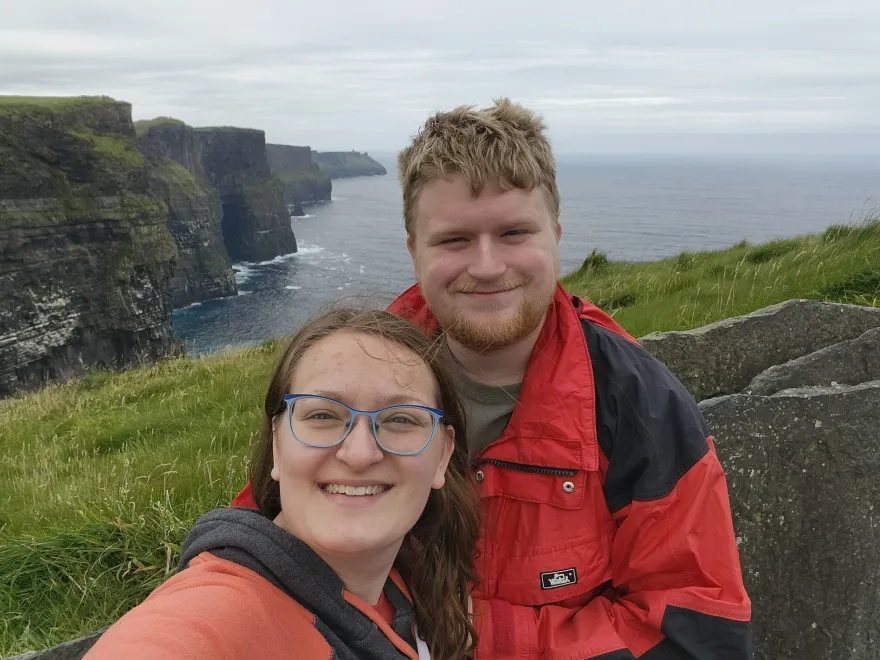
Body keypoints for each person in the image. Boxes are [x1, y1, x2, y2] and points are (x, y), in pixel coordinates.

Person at [233, 99, 753, 658]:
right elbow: (251, 559)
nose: (486, 266)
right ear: (413, 249)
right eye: (454, 240)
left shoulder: (640, 406)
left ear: (556, 232)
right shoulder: (342, 374)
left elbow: (699, 632)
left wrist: (455, 633)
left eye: (513, 233)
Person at [87, 308, 480, 660]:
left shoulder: (417, 580)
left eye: (401, 419)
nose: (360, 454)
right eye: (324, 415)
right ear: (277, 443)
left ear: (442, 454)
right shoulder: (221, 614)